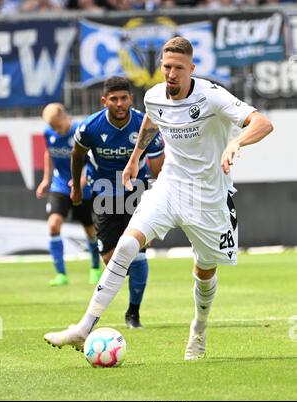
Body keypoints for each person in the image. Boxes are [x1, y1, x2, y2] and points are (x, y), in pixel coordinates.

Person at [44, 37, 273, 359]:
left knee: (205, 271)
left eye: (178, 68)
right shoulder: (153, 96)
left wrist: (237, 143)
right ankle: (83, 329)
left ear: (191, 69)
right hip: (170, 186)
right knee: (125, 245)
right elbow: (152, 120)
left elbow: (262, 122)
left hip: (209, 197)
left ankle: (199, 328)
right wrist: (135, 156)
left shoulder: (211, 96)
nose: (171, 73)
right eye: (167, 67)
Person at [70, 76, 164, 328]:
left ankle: (133, 313)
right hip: (103, 193)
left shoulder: (146, 126)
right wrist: (77, 187)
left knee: (139, 255)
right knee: (111, 258)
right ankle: (131, 274)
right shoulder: (90, 127)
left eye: (124, 98)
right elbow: (76, 155)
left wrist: (159, 203)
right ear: (104, 101)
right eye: (114, 99)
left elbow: (158, 169)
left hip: (137, 193)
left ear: (131, 99)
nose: (120, 103)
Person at [36, 103, 102, 286]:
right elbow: (49, 153)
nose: (55, 130)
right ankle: (61, 274)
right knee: (53, 224)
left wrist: (80, 182)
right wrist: (45, 179)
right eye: (52, 127)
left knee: (90, 230)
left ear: (65, 117)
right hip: (60, 186)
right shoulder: (48, 133)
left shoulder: (81, 132)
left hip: (82, 188)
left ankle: (95, 269)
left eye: (57, 125)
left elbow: (93, 160)